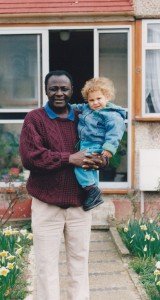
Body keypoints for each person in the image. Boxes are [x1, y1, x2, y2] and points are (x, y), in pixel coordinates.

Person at [19, 70, 108, 300]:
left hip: (80, 205)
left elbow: (100, 140)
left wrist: (103, 157)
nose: (59, 93)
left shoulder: (83, 115)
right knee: (46, 267)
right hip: (47, 205)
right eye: (54, 88)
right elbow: (31, 157)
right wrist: (70, 158)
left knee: (79, 264)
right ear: (45, 90)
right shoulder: (35, 119)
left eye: (64, 89)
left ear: (71, 90)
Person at [72, 77, 126, 211]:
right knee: (91, 169)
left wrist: (109, 148)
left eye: (99, 99)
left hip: (96, 144)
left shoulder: (112, 115)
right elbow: (78, 107)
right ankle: (92, 192)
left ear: (107, 97)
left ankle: (91, 190)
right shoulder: (87, 108)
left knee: (81, 166)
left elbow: (115, 133)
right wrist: (66, 107)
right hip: (84, 143)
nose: (95, 103)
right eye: (91, 100)